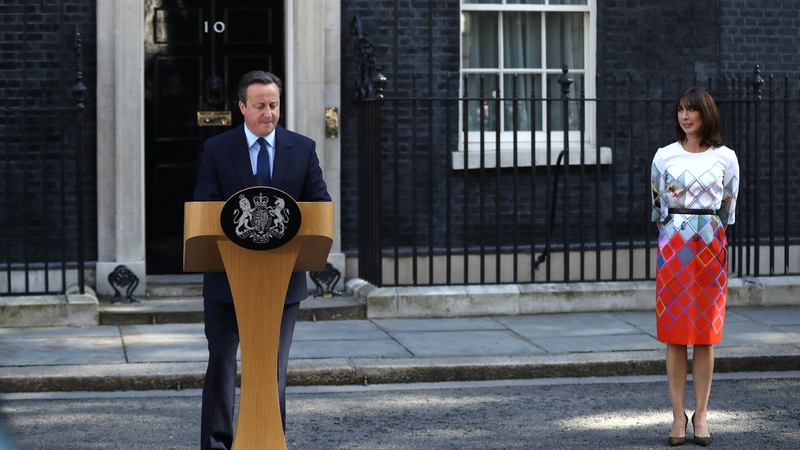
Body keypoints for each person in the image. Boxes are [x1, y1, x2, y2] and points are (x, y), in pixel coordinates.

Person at [193, 70, 330, 450]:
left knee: (272, 367)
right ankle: (217, 445)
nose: (268, 113)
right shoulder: (217, 150)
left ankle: (269, 440)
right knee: (221, 363)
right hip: (226, 279)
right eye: (259, 106)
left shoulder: (301, 148)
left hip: (282, 279)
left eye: (274, 105)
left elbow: (319, 205)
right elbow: (204, 206)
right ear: (242, 108)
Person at [650, 86, 739, 447]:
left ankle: (700, 416)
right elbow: (658, 209)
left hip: (711, 252)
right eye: (680, 110)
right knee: (674, 335)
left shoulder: (726, 157)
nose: (685, 116)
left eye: (692, 110)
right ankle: (676, 418)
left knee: (705, 336)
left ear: (707, 114)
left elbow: (728, 209)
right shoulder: (664, 156)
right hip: (674, 253)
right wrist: (678, 235)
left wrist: (704, 235)